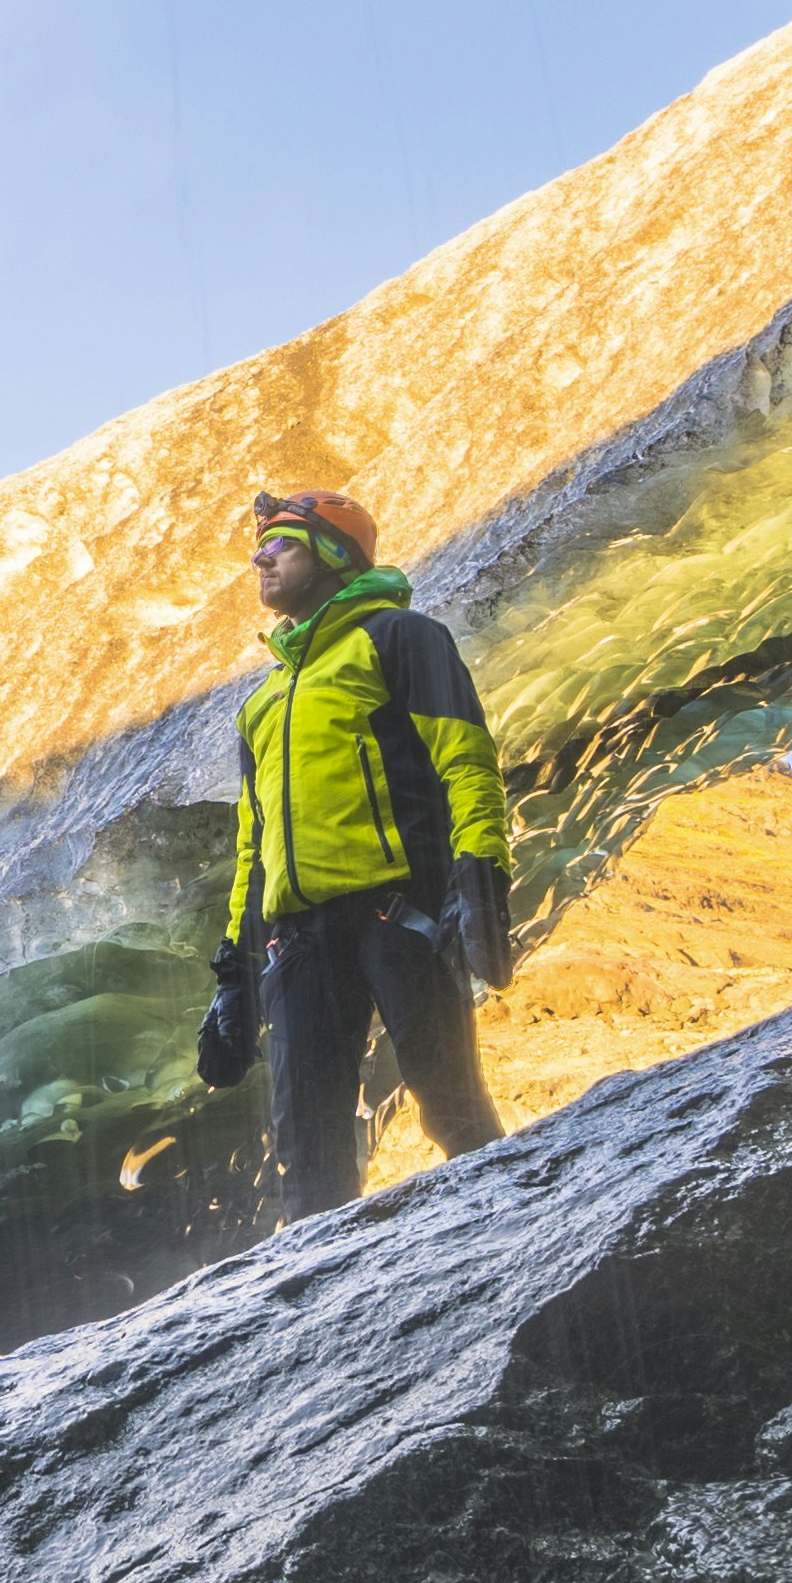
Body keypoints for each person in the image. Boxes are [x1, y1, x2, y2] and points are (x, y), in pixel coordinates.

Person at [190, 480, 515, 1221]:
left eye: (278, 545)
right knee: (306, 1158)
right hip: (297, 944)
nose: (259, 561)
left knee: (454, 1111)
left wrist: (481, 876)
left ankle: (524, 1251)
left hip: (399, 917)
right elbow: (254, 845)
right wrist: (235, 974)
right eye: (257, 549)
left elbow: (465, 762)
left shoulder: (401, 638)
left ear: (332, 553)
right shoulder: (263, 700)